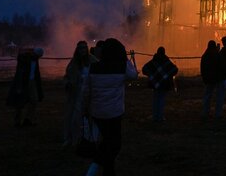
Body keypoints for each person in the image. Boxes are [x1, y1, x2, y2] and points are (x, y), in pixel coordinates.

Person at [82, 38, 138, 176]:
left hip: (97, 111)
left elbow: (86, 91)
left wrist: (85, 108)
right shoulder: (121, 67)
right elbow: (134, 75)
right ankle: (93, 170)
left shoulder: (93, 67)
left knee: (107, 141)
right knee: (114, 145)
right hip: (114, 112)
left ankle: (109, 171)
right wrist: (125, 59)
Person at [63, 40, 94, 146]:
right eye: (81, 48)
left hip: (90, 93)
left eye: (84, 47)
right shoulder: (74, 62)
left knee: (90, 117)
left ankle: (88, 139)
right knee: (74, 117)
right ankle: (72, 139)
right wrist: (67, 83)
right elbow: (66, 76)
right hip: (76, 94)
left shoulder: (92, 60)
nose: (83, 50)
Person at [6, 47, 44, 127]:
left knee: (34, 100)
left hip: (32, 82)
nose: (38, 58)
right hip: (23, 82)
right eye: (37, 56)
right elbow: (20, 70)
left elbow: (36, 72)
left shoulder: (34, 59)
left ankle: (28, 119)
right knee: (19, 102)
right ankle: (17, 122)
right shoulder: (24, 58)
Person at [142, 46, 178, 122]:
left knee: (155, 99)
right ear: (164, 52)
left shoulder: (154, 61)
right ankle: (160, 117)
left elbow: (144, 69)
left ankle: (155, 116)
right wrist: (168, 75)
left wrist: (151, 75)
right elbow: (175, 69)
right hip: (164, 84)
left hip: (155, 84)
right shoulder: (166, 61)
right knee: (162, 99)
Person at [200, 40, 226, 119]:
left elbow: (203, 69)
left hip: (208, 79)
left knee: (207, 96)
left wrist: (204, 78)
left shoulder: (205, 56)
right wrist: (224, 77)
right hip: (218, 79)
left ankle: (205, 112)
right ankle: (218, 114)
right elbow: (222, 67)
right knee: (219, 96)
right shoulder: (217, 55)